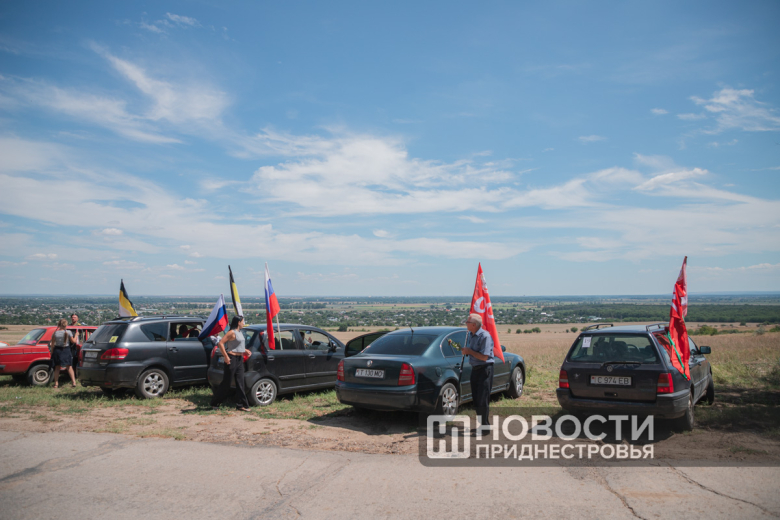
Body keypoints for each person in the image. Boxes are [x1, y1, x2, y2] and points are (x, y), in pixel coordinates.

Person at [210, 316, 251, 411]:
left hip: (239, 359)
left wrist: (245, 350)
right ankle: (215, 403)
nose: (243, 323)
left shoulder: (240, 332)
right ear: (238, 322)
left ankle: (241, 405)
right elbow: (221, 343)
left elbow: (238, 345)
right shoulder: (231, 332)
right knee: (226, 383)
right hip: (231, 359)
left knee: (240, 383)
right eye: (243, 321)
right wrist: (226, 356)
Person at [462, 313, 494, 433]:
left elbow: (484, 357)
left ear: (474, 325)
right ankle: (483, 424)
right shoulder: (471, 335)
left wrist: (469, 351)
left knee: (482, 398)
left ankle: (485, 427)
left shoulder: (485, 336)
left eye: (468, 322)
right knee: (476, 398)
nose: (466, 323)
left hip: (484, 369)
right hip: (475, 369)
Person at [49, 318, 77, 388]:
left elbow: (52, 344)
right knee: (69, 367)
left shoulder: (55, 333)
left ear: (59, 325)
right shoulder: (68, 332)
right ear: (66, 325)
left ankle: (56, 384)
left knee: (57, 368)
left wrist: (52, 352)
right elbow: (73, 341)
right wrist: (76, 335)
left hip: (57, 350)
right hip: (66, 350)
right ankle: (73, 382)